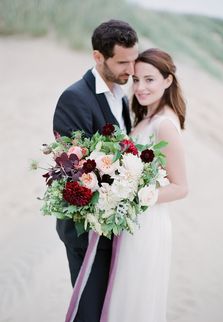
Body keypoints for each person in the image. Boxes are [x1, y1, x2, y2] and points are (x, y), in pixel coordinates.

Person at [53, 19, 138, 322]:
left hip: (113, 227)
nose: (131, 69)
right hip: (86, 230)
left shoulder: (122, 96)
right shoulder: (75, 98)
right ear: (98, 57)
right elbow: (71, 170)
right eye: (122, 62)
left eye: (133, 60)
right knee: (88, 312)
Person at [101, 48, 188, 322]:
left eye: (149, 80)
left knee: (134, 300)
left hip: (147, 224)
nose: (140, 87)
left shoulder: (164, 124)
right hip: (131, 220)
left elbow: (181, 186)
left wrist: (133, 196)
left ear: (168, 81)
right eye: (136, 80)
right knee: (123, 297)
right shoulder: (144, 119)